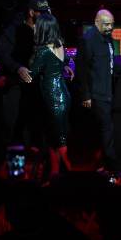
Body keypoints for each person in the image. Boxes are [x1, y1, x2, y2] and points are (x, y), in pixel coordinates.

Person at [0, 0, 73, 145]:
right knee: (19, 123)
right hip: (21, 85)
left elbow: (55, 48)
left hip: (41, 84)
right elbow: (4, 54)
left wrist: (63, 64)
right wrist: (17, 68)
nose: (45, 14)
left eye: (47, 11)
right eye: (41, 12)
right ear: (31, 12)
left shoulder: (47, 26)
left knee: (44, 126)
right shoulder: (15, 30)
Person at [75, 9, 121, 168]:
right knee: (104, 129)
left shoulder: (107, 38)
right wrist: (85, 95)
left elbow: (107, 64)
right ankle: (109, 163)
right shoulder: (88, 40)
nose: (110, 27)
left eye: (112, 24)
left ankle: (105, 162)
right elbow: (82, 69)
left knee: (105, 128)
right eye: (106, 24)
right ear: (96, 23)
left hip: (106, 91)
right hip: (96, 93)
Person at [29, 13, 73, 176]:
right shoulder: (59, 44)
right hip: (63, 95)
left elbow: (30, 75)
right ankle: (55, 176)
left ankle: (77, 176)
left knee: (60, 142)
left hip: (54, 99)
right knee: (54, 142)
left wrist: (14, 72)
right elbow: (65, 62)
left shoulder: (43, 51)